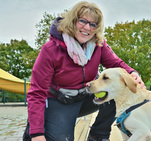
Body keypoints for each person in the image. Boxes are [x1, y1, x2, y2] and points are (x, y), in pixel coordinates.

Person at [23, 1, 144, 141]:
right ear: (73, 20)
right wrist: (37, 134)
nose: (87, 27)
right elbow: (36, 93)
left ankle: (98, 136)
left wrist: (132, 73)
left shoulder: (98, 44)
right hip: (60, 101)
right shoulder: (50, 50)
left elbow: (116, 63)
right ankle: (34, 127)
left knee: (116, 89)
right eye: (83, 21)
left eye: (93, 24)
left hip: (86, 97)